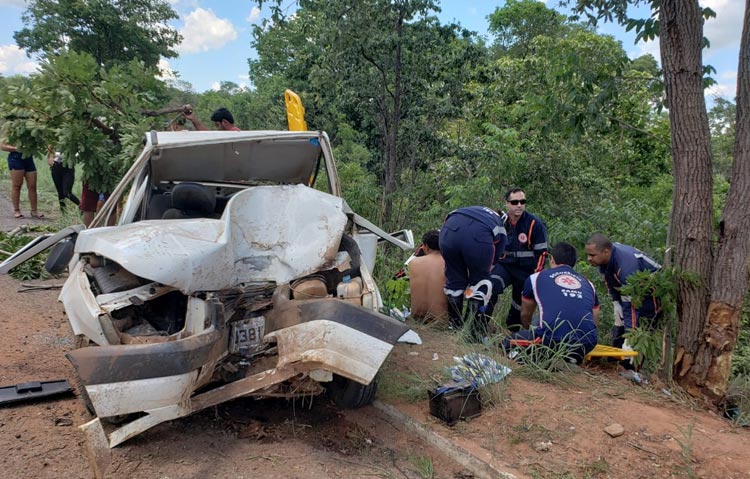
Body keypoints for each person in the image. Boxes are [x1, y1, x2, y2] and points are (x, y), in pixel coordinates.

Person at [502, 242, 599, 364]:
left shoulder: (536, 278)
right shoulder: (588, 283)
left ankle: (537, 358)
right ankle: (570, 359)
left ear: (552, 259)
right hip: (587, 343)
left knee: (508, 341)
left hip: (550, 340)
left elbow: (525, 314)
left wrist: (529, 331)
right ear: (574, 263)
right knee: (542, 320)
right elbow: (594, 320)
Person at [440, 206, 507, 340]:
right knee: (481, 283)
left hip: (448, 233)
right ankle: (470, 331)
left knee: (454, 281)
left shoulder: (470, 209)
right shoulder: (499, 225)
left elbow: (447, 220)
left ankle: (454, 326)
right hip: (478, 238)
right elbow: (492, 263)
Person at [584, 234, 661, 351]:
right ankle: (618, 360)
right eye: (588, 255)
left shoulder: (626, 267)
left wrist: (630, 336)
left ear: (605, 252)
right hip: (632, 290)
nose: (589, 259)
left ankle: (633, 363)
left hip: (652, 291)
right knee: (619, 326)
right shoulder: (605, 260)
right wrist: (616, 302)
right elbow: (610, 280)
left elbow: (631, 307)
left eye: (592, 255)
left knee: (642, 329)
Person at [492, 187, 547, 332]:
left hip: (526, 271)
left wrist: (535, 277)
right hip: (504, 266)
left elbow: (542, 254)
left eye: (522, 201)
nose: (519, 205)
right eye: (515, 202)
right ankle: (480, 326)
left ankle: (513, 336)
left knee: (519, 306)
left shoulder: (535, 224)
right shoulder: (499, 222)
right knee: (490, 287)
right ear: (507, 203)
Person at [408, 230, 448, 323]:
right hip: (440, 321)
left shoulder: (413, 263)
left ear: (425, 246)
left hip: (417, 319)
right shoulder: (449, 264)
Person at [2, 142, 42, 219]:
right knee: (17, 185)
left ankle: (34, 211)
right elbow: (3, 146)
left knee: (32, 185)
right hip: (15, 158)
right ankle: (16, 210)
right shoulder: (10, 132)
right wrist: (16, 149)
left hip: (28, 158)